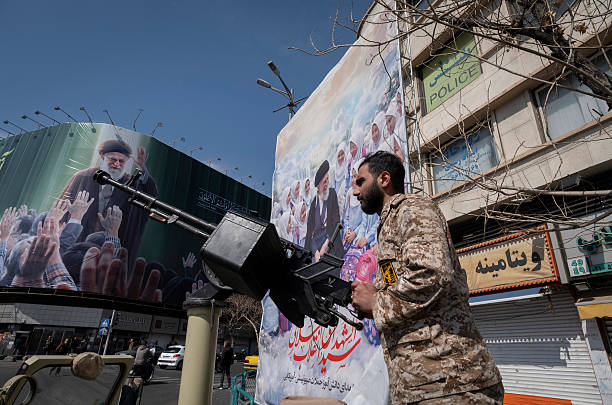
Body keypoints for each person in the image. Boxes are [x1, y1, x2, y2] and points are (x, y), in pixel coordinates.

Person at [350, 151, 503, 405]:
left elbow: (431, 274)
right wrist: (372, 299)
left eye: (360, 182)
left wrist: (377, 303)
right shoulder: (388, 224)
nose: (355, 191)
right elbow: (405, 288)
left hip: (452, 385)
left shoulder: (412, 208)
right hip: (423, 387)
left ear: (384, 179)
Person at [59, 139, 157, 272]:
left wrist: (143, 169)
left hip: (109, 254)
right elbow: (61, 210)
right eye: (113, 159)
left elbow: (150, 194)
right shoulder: (82, 177)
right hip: (76, 249)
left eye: (121, 161)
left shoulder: (132, 184)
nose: (116, 164)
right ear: (102, 157)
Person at [304, 160, 340, 255]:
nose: (327, 184)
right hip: (316, 241)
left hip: (330, 238)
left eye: (327, 180)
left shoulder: (332, 194)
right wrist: (315, 251)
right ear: (318, 186)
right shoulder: (314, 203)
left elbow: (336, 221)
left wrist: (326, 244)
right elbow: (310, 231)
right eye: (324, 182)